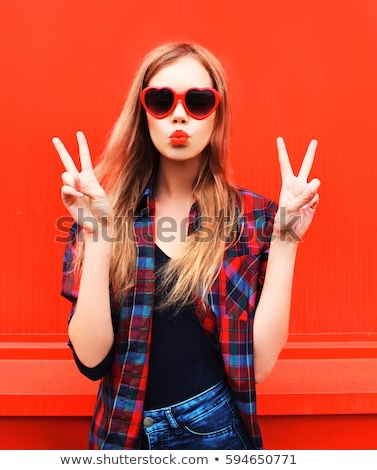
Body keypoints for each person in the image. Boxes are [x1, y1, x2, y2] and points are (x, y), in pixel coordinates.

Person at [52, 42, 320, 450]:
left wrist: (285, 241)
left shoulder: (253, 218)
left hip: (214, 434)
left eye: (198, 101)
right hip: (121, 437)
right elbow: (91, 360)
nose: (179, 113)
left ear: (218, 115)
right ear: (143, 114)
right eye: (160, 100)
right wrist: (99, 232)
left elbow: (257, 367)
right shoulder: (100, 211)